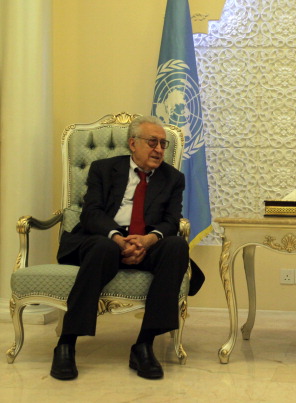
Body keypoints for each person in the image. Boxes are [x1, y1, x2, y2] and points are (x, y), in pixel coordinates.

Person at [50, 115, 202, 380]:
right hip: (105, 238)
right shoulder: (103, 168)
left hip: (146, 241)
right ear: (133, 143)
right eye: (152, 142)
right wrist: (117, 238)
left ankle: (144, 344)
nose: (158, 149)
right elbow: (92, 213)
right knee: (103, 248)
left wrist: (147, 240)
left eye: (163, 144)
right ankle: (66, 342)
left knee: (177, 246)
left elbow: (170, 220)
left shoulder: (172, 178)